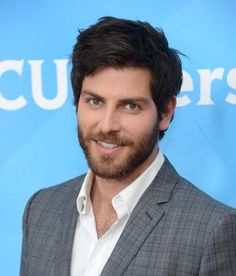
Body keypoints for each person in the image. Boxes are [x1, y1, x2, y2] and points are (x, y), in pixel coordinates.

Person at [20, 17, 236, 276]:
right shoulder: (41, 208)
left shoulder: (212, 229)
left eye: (130, 106)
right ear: (77, 102)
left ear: (165, 113)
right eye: (95, 101)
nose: (107, 125)